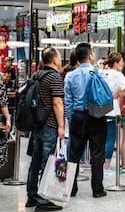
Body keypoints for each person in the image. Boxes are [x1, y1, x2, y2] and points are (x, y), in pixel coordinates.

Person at [65, 43, 107, 198]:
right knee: (97, 154)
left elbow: (67, 101)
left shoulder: (70, 76)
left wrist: (71, 119)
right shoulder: (99, 73)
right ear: (90, 56)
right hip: (96, 116)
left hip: (78, 116)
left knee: (74, 154)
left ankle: (71, 188)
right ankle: (97, 189)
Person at [25, 47, 64, 211]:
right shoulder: (54, 77)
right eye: (60, 57)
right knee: (48, 163)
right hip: (49, 124)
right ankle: (43, 199)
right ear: (54, 59)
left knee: (35, 162)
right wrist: (61, 125)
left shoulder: (37, 75)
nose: (61, 59)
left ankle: (32, 196)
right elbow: (57, 103)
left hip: (37, 124)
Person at [103, 52, 125, 172]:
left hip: (99, 109)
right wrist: (119, 94)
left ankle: (99, 164)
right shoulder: (118, 75)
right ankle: (106, 166)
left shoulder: (101, 72)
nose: (123, 64)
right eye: (121, 62)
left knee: (101, 139)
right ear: (115, 63)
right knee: (110, 139)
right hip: (112, 109)